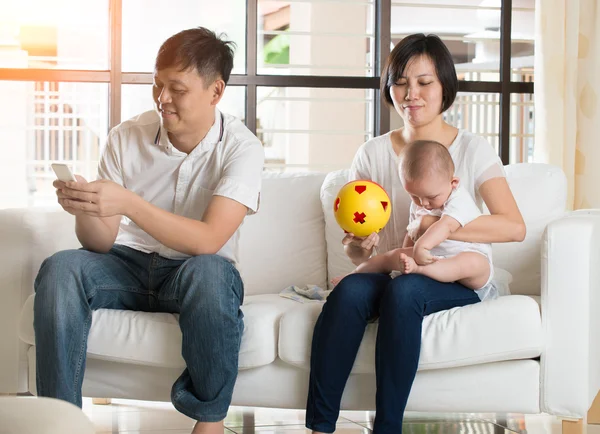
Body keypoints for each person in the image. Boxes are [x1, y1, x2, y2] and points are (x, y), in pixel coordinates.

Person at [34, 27, 264, 434]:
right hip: (128, 264)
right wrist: (86, 208)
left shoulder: (241, 148)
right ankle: (59, 421)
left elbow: (208, 240)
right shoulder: (126, 137)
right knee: (61, 268)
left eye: (177, 89)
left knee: (211, 273)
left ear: (215, 91)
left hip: (195, 271)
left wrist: (127, 203)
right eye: (157, 86)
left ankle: (209, 421)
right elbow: (99, 243)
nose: (162, 99)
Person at [306, 33, 526, 434]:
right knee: (350, 291)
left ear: (445, 86)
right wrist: (359, 246)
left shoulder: (473, 150)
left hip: (451, 275)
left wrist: (440, 226)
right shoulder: (371, 154)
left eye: (425, 82)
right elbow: (358, 254)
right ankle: (320, 425)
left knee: (404, 292)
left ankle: (387, 427)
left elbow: (513, 226)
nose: (412, 94)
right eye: (401, 82)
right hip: (395, 266)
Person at [332, 140, 493, 297]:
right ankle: (353, 275)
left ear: (453, 182)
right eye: (415, 196)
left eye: (431, 197)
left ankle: (420, 270)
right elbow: (412, 233)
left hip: (466, 257)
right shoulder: (421, 202)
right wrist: (404, 257)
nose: (423, 203)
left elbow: (446, 226)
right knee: (388, 257)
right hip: (431, 256)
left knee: (470, 263)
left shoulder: (459, 199)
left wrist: (421, 248)